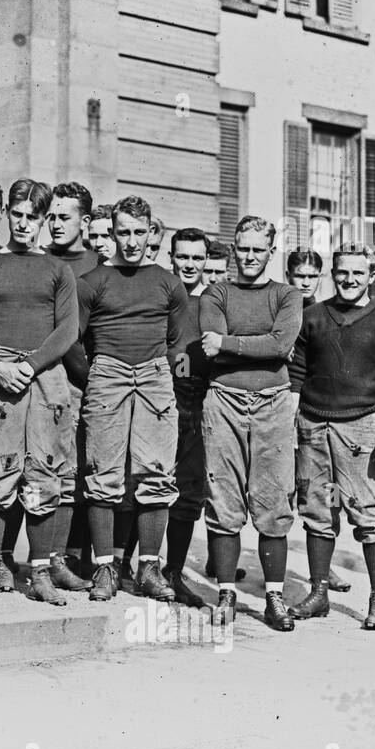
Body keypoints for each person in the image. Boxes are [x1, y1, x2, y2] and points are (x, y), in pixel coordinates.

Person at [288, 243, 375, 630]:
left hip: (361, 430)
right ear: (333, 273)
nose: (349, 279)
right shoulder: (312, 317)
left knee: (369, 514)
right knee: (317, 512)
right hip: (313, 426)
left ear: (372, 277)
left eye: (358, 273)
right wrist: (292, 423)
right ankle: (319, 593)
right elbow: (296, 374)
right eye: (342, 272)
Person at [74, 195, 189, 603]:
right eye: (123, 232)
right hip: (108, 373)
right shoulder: (93, 281)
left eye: (139, 232)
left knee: (157, 475)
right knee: (103, 476)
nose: (131, 240)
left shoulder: (168, 282)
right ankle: (106, 567)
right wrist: (98, 376)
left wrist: (160, 376)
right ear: (112, 232)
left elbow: (179, 343)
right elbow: (75, 339)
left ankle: (148, 568)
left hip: (155, 375)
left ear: (151, 232)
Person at [0, 178, 79, 603]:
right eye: (16, 214)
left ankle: (39, 573)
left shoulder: (57, 269)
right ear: (6, 214)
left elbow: (67, 328)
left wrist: (31, 365)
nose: (22, 223)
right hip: (0, 379)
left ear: (44, 220)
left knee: (43, 472)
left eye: (32, 217)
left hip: (46, 378)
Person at [199, 216, 303, 630]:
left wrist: (229, 343)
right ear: (234, 247)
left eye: (259, 249)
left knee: (274, 501)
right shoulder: (216, 292)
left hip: (274, 403)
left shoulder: (287, 294)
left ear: (271, 252)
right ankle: (225, 592)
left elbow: (282, 344)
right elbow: (209, 349)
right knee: (223, 500)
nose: (250, 256)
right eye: (243, 248)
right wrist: (259, 348)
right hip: (222, 398)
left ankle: (273, 596)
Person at [41, 182, 100, 590]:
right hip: (44, 377)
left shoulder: (99, 265)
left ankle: (70, 557)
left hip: (85, 382)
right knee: (40, 470)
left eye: (65, 217)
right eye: (52, 218)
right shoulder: (38, 260)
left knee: (78, 471)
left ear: (86, 221)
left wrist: (91, 377)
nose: (56, 225)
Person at [284, 248, 349, 593]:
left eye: (312, 276)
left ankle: (326, 567)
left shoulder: (327, 313)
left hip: (318, 415)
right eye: (300, 276)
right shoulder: (281, 306)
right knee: (278, 491)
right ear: (289, 275)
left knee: (327, 493)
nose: (306, 282)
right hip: (283, 407)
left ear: (320, 278)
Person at [160, 226, 215, 604]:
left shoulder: (215, 301)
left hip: (199, 403)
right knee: (144, 483)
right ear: (172, 257)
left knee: (190, 489)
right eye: (183, 256)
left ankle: (174, 572)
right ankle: (124, 565)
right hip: (159, 397)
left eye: (197, 257)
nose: (190, 264)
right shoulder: (162, 294)